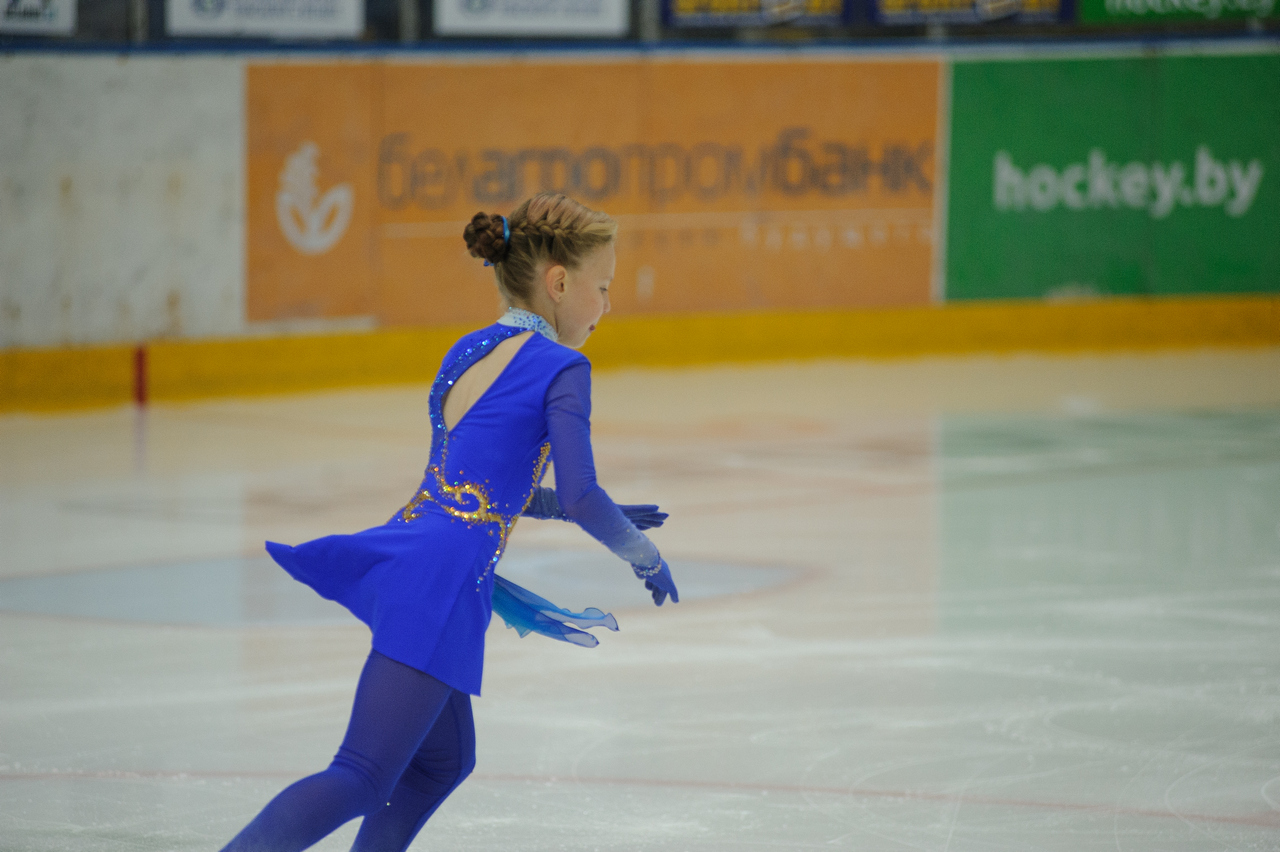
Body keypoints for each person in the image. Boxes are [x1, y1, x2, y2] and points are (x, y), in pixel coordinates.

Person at [219, 192, 679, 852]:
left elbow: (482, 483)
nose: (607, 305)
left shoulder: (468, 350)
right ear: (558, 283)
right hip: (442, 582)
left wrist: (565, 508)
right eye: (602, 287)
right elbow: (583, 494)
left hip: (416, 553)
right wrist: (642, 555)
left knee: (441, 762)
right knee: (360, 776)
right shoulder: (563, 366)